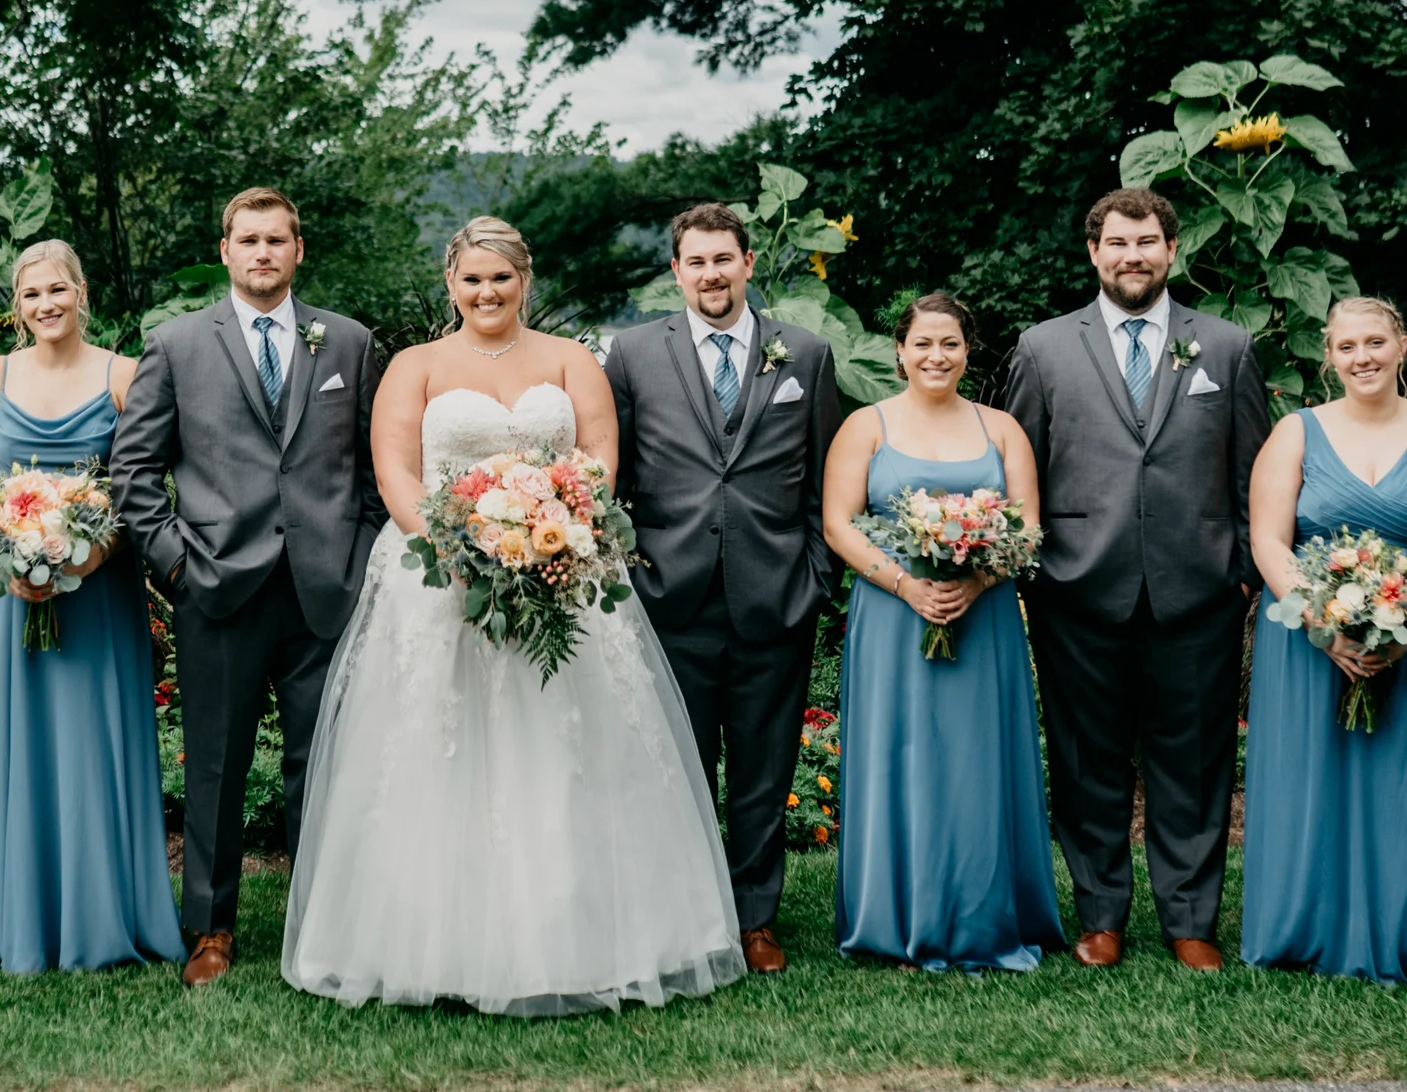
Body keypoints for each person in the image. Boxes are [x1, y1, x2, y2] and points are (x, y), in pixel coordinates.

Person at [281, 217, 745, 1014]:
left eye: (501, 278)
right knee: (435, 750)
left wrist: (547, 527)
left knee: (565, 745)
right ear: (451, 282)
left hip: (559, 563)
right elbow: (394, 470)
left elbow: (599, 458)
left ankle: (577, 936)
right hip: (439, 579)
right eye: (472, 279)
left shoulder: (570, 360)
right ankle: (431, 943)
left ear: (524, 279)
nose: (487, 292)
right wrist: (461, 543)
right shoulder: (415, 366)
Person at [111, 187, 385, 987]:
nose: (263, 252)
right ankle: (211, 927)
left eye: (277, 240)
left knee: (323, 763)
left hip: (324, 590)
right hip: (217, 585)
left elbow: (372, 469)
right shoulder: (176, 345)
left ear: (299, 249)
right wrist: (176, 561)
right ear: (225, 249)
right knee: (216, 768)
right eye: (249, 239)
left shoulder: (350, 343)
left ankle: (320, 924)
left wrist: (359, 556)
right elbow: (133, 471)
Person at [1003, 187, 1269, 972]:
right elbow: (1023, 465)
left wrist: (1246, 570)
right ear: (1094, 253)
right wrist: (1033, 573)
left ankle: (1191, 919)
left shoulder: (1224, 346)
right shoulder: (1045, 347)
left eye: (1146, 242)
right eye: (1117, 243)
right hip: (1078, 588)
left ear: (1171, 249)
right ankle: (1102, 915)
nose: (1132, 255)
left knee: (1195, 762)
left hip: (1199, 590)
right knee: (1087, 761)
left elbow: (1253, 468)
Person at [601, 201, 842, 974]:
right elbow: (620, 477)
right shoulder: (634, 354)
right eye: (695, 261)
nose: (711, 273)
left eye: (723, 259)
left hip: (776, 594)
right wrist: (634, 572)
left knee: (765, 768)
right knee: (678, 767)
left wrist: (814, 575)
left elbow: (822, 475)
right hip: (673, 594)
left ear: (747, 264)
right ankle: (692, 917)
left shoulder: (803, 353)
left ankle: (756, 918)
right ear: (676, 271)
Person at [1240, 297, 1407, 985]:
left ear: (1402, 345)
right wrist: (1322, 623)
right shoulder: (1295, 431)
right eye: (1347, 346)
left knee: (1406, 785)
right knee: (1308, 780)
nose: (1362, 357)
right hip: (1308, 641)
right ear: (1330, 355)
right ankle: (1302, 926)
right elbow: (1268, 537)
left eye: (1375, 341)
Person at [821, 292, 1061, 970]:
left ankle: (987, 911)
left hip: (980, 620)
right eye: (922, 343)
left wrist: (975, 581)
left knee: (977, 760)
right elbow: (838, 522)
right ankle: (895, 913)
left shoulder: (1002, 429)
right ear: (899, 351)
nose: (936, 355)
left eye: (949, 343)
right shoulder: (865, 426)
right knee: (904, 755)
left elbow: (1027, 524)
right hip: (894, 619)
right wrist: (906, 583)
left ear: (967, 350)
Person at [0, 239, 180, 973]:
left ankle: (106, 915)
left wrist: (87, 554)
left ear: (81, 292)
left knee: (95, 746)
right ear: (16, 307)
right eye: (31, 295)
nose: (46, 304)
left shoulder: (124, 375)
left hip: (99, 596)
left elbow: (139, 489)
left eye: (58, 289)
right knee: (29, 750)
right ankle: (23, 920)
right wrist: (12, 561)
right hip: (18, 596)